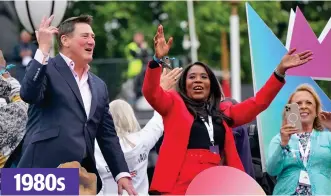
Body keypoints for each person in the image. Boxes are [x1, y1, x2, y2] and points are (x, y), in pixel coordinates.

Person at [142, 24, 313, 194]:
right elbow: (151, 93)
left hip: (216, 184)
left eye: (204, 77)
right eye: (192, 77)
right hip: (179, 186)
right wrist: (157, 60)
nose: (198, 81)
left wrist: (279, 71)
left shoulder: (223, 112)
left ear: (211, 85)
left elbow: (258, 103)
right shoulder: (174, 104)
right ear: (184, 84)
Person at [6, 15, 136, 194]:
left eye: (93, 37)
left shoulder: (99, 86)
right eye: (85, 36)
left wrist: (121, 173)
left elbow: (106, 134)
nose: (91, 41)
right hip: (41, 173)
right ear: (65, 40)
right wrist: (43, 49)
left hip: (80, 178)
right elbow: (28, 94)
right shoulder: (46, 68)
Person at [96, 67, 182, 195]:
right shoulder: (142, 140)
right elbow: (159, 119)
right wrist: (162, 89)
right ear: (131, 116)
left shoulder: (96, 146)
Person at [266, 84, 331, 195]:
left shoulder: (328, 137)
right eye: (298, 104)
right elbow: (272, 170)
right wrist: (283, 144)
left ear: (316, 112)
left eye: (309, 103)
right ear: (290, 110)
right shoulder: (279, 138)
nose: (303, 106)